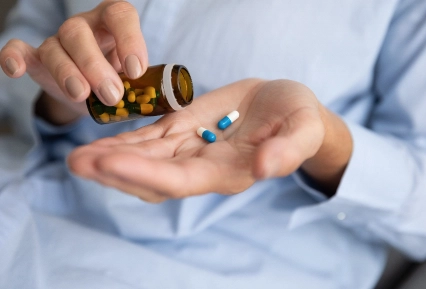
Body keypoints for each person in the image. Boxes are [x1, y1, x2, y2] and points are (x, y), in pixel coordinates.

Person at [0, 0, 426, 288]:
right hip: (32, 198)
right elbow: (22, 57)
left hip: (241, 262)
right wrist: (59, 94)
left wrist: (325, 137)